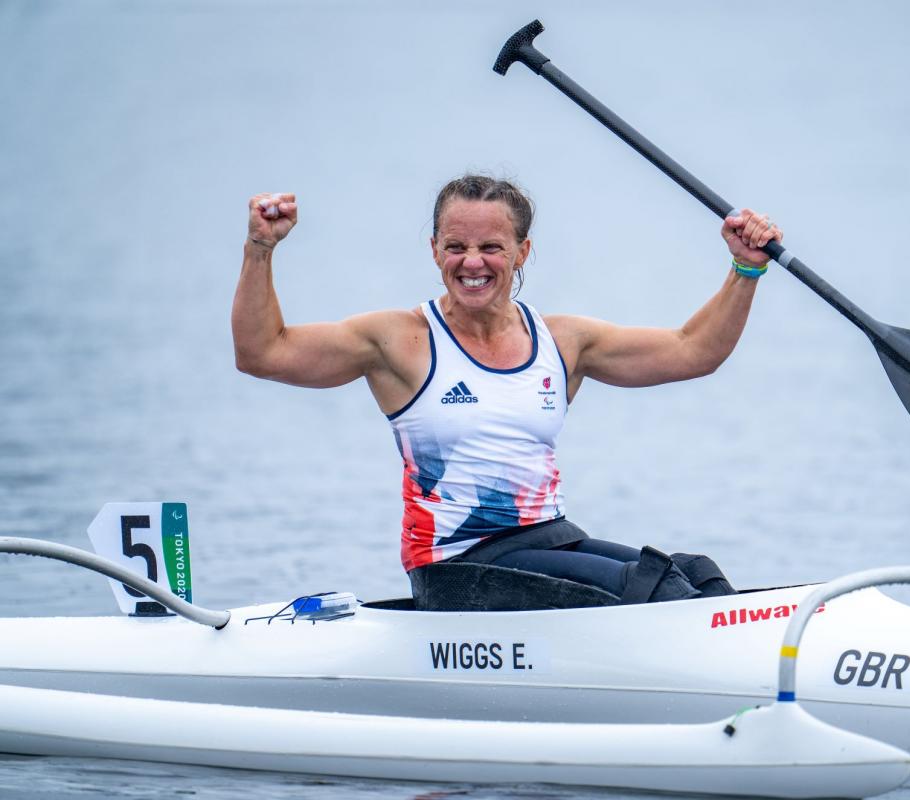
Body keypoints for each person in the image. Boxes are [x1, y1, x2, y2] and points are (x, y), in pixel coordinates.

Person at [233, 175, 782, 605]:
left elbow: (694, 351)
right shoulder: (397, 341)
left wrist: (744, 269)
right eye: (456, 246)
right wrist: (260, 248)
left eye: (491, 246)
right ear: (433, 250)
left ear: (522, 251)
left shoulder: (563, 341)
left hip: (550, 538)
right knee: (659, 592)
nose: (472, 262)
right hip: (457, 570)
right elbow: (264, 352)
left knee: (696, 578)